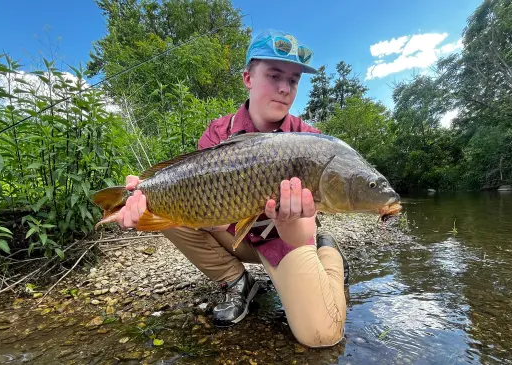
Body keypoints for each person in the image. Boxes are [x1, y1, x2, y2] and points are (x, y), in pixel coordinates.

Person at [115, 29, 349, 348]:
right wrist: (142, 202)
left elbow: (297, 234)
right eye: (274, 75)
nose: (284, 88)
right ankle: (237, 281)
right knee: (165, 203)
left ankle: (329, 251)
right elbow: (183, 196)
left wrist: (288, 221)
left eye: (293, 80)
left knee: (322, 335)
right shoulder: (218, 132)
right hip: (236, 235)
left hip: (288, 241)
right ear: (248, 78)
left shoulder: (309, 141)